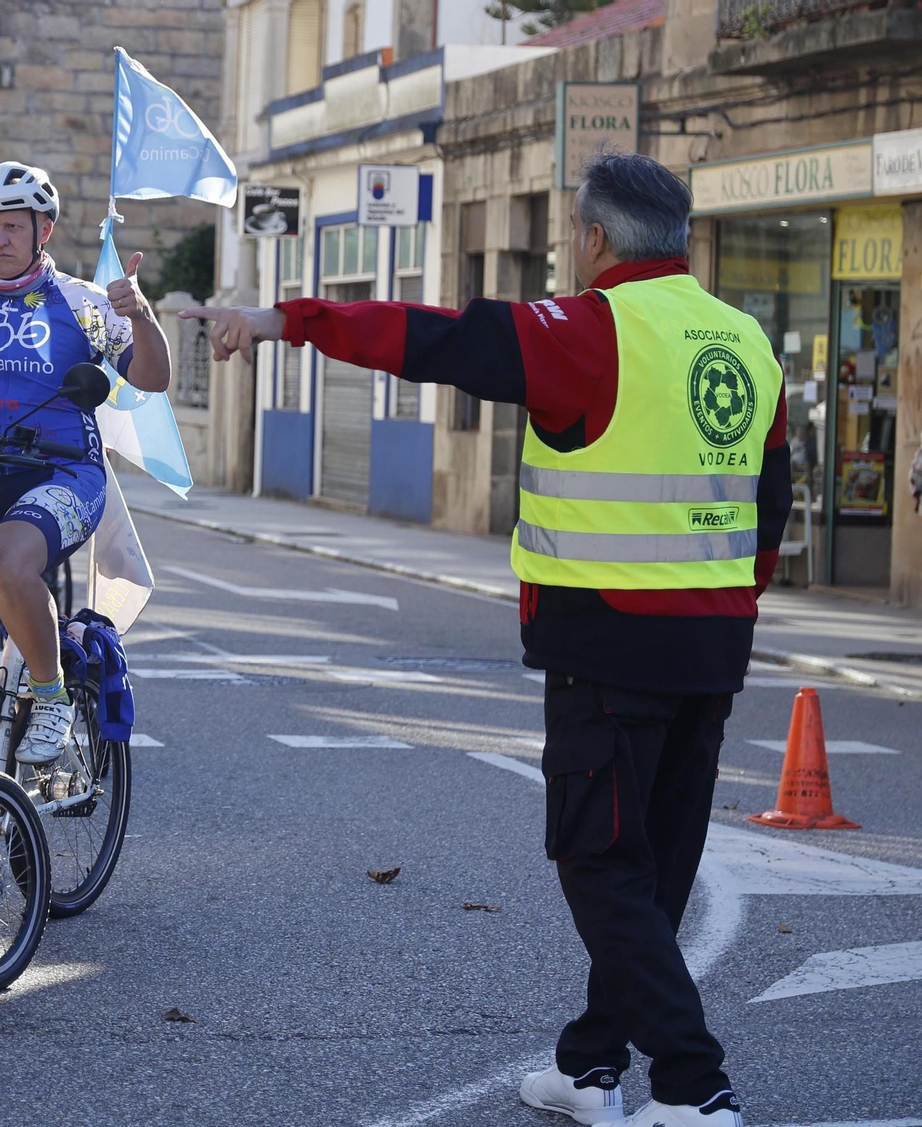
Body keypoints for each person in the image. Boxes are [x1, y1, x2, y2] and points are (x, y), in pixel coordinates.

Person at [184, 151, 788, 1127]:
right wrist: (728, 608)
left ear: (593, 236)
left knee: (598, 860)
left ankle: (691, 1083)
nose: (565, 247)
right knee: (654, 868)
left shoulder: (591, 329)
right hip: (710, 645)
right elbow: (771, 509)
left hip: (607, 638)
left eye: (568, 232)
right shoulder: (744, 342)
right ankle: (590, 1064)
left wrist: (279, 319)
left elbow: (432, 337)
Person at [0, 160, 170, 780]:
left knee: (7, 560)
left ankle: (50, 695)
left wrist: (140, 314)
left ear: (43, 230)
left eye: (12, 227)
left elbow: (153, 377)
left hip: (62, 477)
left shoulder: (83, 305)